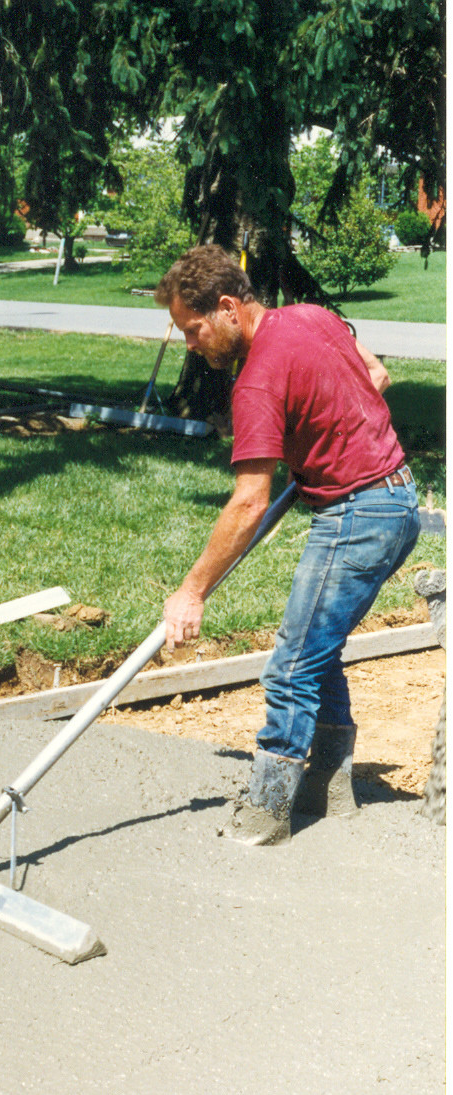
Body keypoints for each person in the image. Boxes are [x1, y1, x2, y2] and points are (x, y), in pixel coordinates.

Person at [155, 245, 419, 845]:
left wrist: (191, 592)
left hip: (357, 515)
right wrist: (328, 438)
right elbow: (376, 377)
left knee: (292, 665)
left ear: (228, 308)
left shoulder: (256, 382)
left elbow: (250, 502)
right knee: (317, 649)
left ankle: (267, 813)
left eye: (193, 330)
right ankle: (329, 788)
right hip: (398, 500)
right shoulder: (312, 317)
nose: (191, 345)